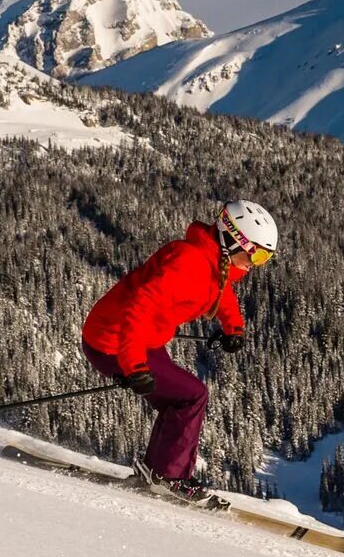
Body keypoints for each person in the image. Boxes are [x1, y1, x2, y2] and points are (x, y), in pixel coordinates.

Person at [80, 199, 278, 503]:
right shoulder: (188, 262)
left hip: (142, 340)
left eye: (265, 258)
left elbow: (220, 290)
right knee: (191, 396)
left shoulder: (213, 261)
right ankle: (168, 476)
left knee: (180, 400)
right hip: (113, 340)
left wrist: (233, 328)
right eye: (259, 254)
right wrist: (132, 364)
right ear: (235, 239)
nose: (257, 263)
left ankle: (157, 471)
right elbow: (139, 306)